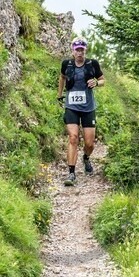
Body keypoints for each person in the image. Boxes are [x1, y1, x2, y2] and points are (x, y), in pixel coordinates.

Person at [58, 37, 105, 186]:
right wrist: (60, 95)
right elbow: (62, 77)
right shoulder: (67, 64)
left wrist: (97, 82)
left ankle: (86, 157)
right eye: (77, 49)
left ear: (85, 50)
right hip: (71, 106)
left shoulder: (93, 64)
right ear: (73, 50)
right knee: (73, 137)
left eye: (82, 50)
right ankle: (71, 173)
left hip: (88, 108)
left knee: (90, 143)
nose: (79, 52)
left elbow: (103, 80)